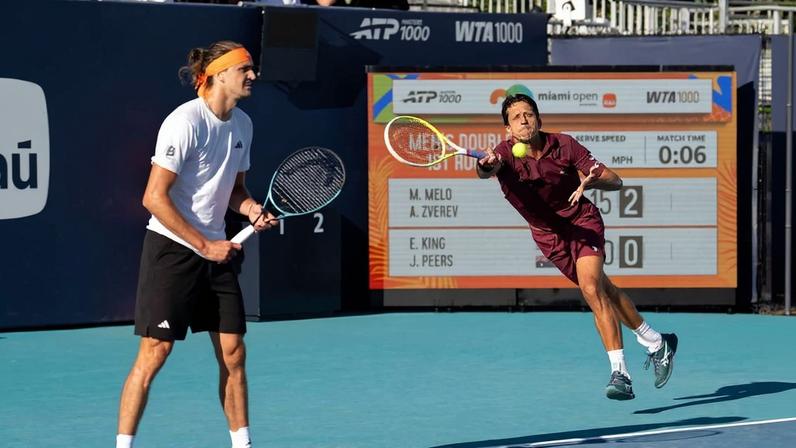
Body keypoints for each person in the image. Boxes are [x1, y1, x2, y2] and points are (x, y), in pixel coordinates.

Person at [116, 41, 277, 448]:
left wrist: (253, 208)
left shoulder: (243, 125)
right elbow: (154, 196)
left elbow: (235, 191)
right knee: (155, 352)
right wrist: (204, 246)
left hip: (216, 249)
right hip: (172, 249)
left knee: (233, 353)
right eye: (246, 69)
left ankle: (243, 444)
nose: (253, 76)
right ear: (220, 74)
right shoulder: (184, 122)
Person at [476, 94, 678, 401]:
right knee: (604, 290)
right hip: (549, 237)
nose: (524, 120)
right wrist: (485, 166)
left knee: (591, 289)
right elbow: (486, 171)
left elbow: (616, 180)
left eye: (529, 114)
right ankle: (655, 342)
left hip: (582, 223)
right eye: (516, 117)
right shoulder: (504, 155)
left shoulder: (565, 145)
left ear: (539, 120)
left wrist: (590, 182)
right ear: (508, 129)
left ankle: (620, 373)